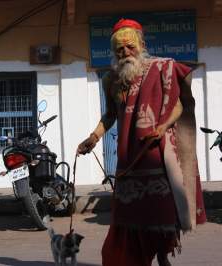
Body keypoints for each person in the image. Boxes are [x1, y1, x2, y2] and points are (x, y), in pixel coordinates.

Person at [77, 19, 206, 266]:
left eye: (130, 47)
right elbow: (110, 115)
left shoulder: (161, 68)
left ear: (141, 45)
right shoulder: (110, 80)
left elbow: (178, 106)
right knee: (130, 215)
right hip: (128, 157)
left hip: (156, 153)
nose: (125, 53)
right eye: (119, 49)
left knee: (161, 212)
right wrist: (93, 138)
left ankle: (162, 256)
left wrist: (162, 127)